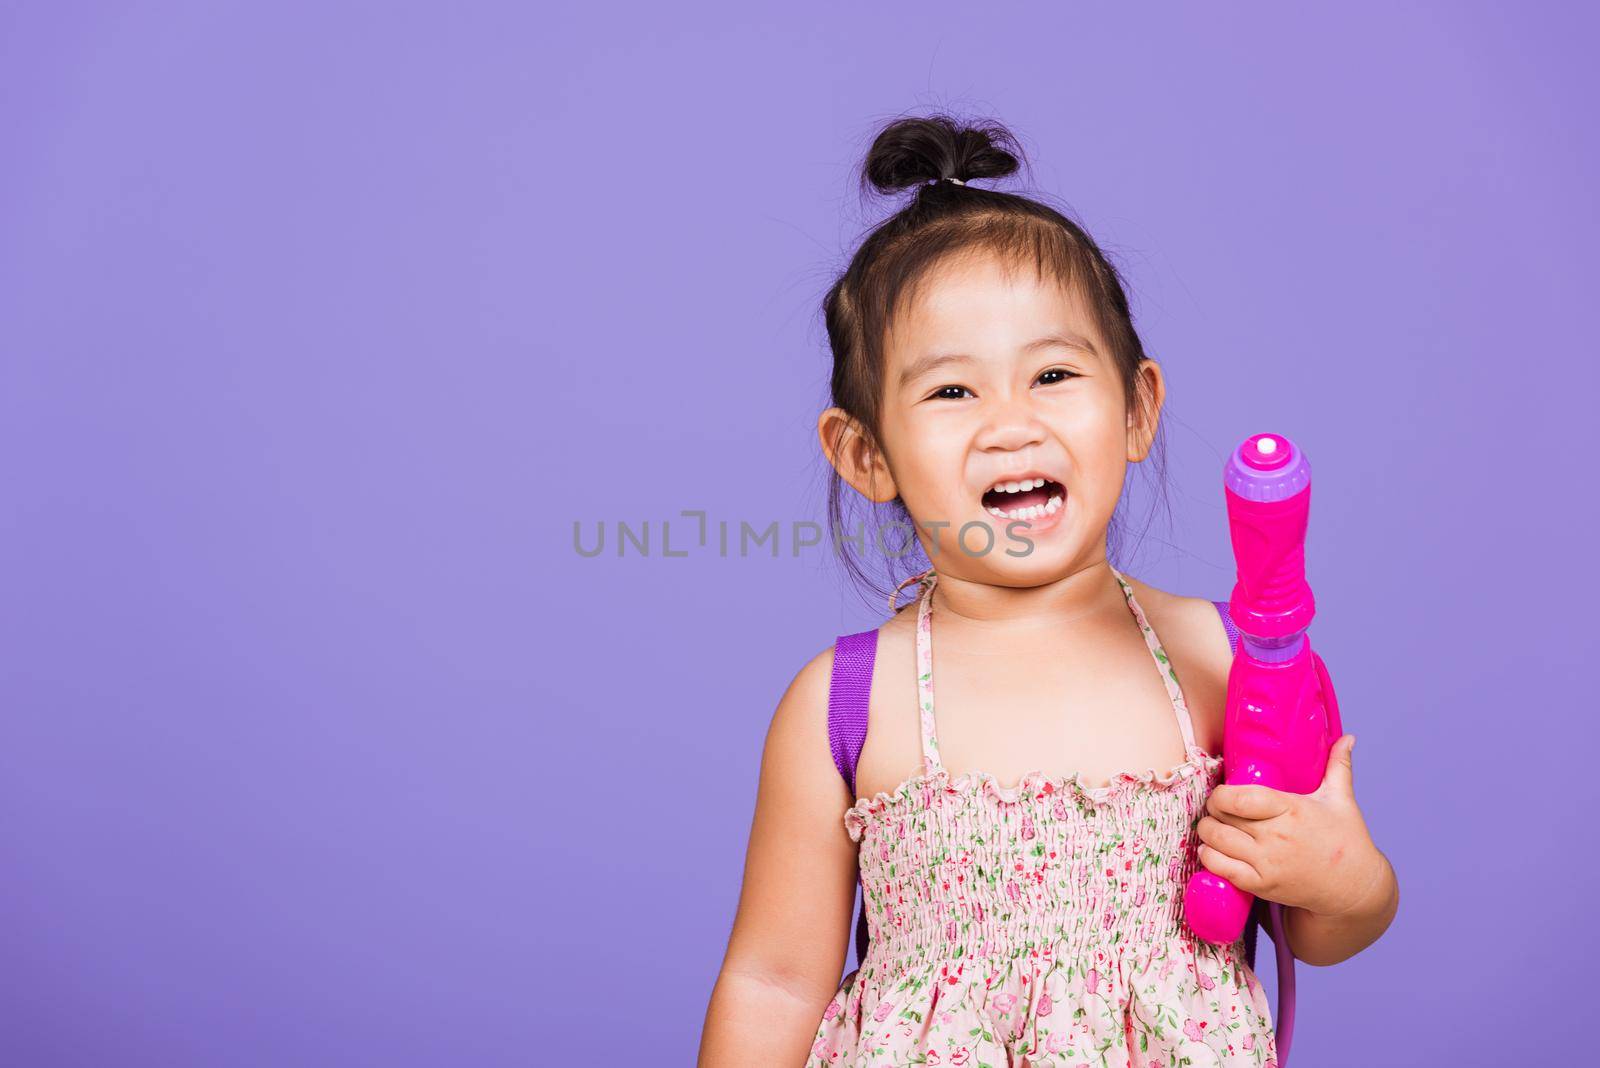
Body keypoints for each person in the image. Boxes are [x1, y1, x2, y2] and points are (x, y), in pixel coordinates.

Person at [699, 113, 1398, 1067]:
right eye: (952, 393)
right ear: (865, 454)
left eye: (1055, 374)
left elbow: (1322, 927)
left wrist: (1349, 881)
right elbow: (774, 980)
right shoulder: (845, 704)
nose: (1010, 425)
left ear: (1137, 407)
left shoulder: (1222, 658)